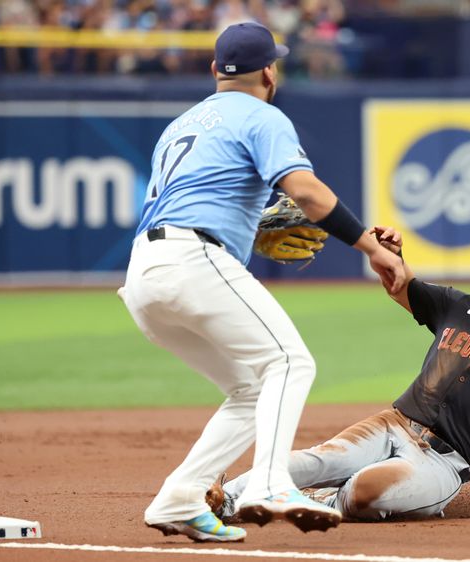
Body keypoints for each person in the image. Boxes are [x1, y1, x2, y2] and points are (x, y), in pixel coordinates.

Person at [118, 22, 405, 543]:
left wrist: (252, 231)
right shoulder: (263, 115)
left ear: (214, 71)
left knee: (251, 391)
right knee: (291, 362)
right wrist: (370, 246)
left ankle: (180, 497)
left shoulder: (181, 124)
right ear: (271, 71)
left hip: (144, 274)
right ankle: (270, 484)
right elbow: (307, 194)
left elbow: (200, 202)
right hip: (194, 261)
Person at [220, 228, 470, 521]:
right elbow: (400, 285)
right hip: (391, 424)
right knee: (310, 461)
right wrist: (390, 256)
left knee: (367, 492)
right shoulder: (456, 306)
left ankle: (309, 502)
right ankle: (223, 499)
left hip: (443, 463)